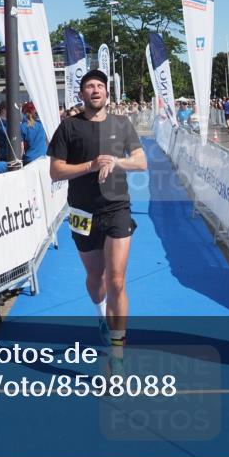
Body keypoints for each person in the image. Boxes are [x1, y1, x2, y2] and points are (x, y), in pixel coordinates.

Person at [47, 69, 147, 365]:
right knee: (96, 279)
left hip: (117, 208)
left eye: (100, 86)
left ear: (107, 93)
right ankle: (100, 310)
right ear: (81, 94)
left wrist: (118, 162)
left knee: (116, 279)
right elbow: (55, 171)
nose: (95, 90)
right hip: (82, 210)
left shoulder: (121, 123)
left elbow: (141, 162)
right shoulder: (68, 128)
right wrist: (91, 165)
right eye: (89, 86)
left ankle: (116, 354)